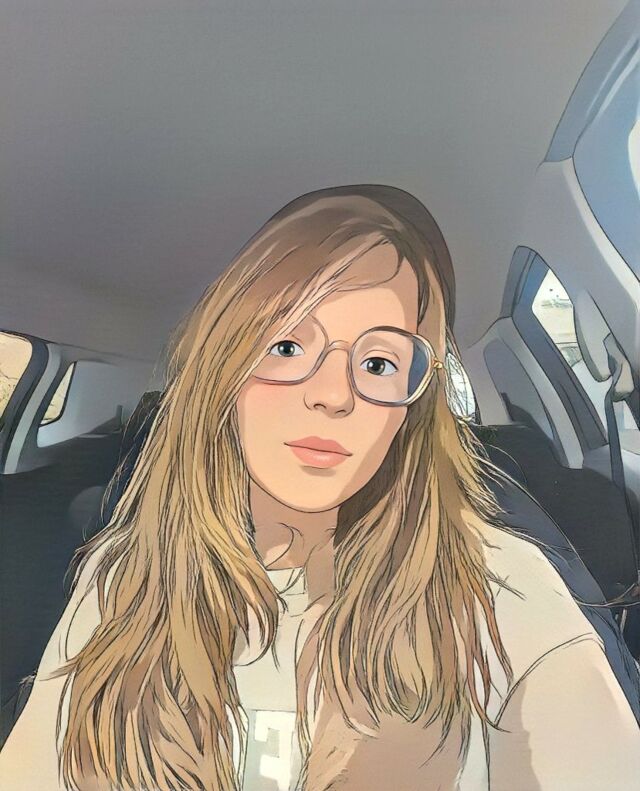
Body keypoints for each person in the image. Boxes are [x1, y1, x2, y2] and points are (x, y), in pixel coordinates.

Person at [1, 185, 639, 791]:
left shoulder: (505, 594)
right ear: (225, 372)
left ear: (410, 409)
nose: (333, 394)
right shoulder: (122, 577)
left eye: (379, 363)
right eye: (285, 346)